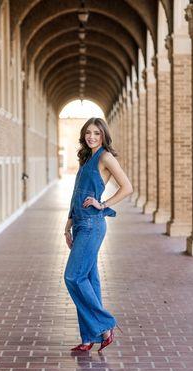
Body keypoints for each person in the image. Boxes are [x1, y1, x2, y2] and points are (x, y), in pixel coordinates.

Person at [63, 117, 133, 352]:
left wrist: (103, 204)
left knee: (73, 277)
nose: (91, 136)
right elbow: (76, 194)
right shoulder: (86, 158)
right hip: (80, 224)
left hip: (93, 224)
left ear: (103, 136)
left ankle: (105, 324)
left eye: (96, 133)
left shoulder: (105, 157)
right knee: (89, 281)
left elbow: (127, 187)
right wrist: (68, 225)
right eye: (88, 133)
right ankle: (88, 337)